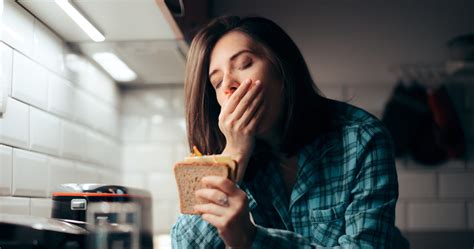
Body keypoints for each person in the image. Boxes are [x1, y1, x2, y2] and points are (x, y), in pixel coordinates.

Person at [171, 16, 408, 249]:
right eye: (217, 82)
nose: (229, 85)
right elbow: (185, 244)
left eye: (244, 64)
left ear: (282, 69)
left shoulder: (362, 139)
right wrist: (233, 156)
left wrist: (252, 239)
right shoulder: (231, 154)